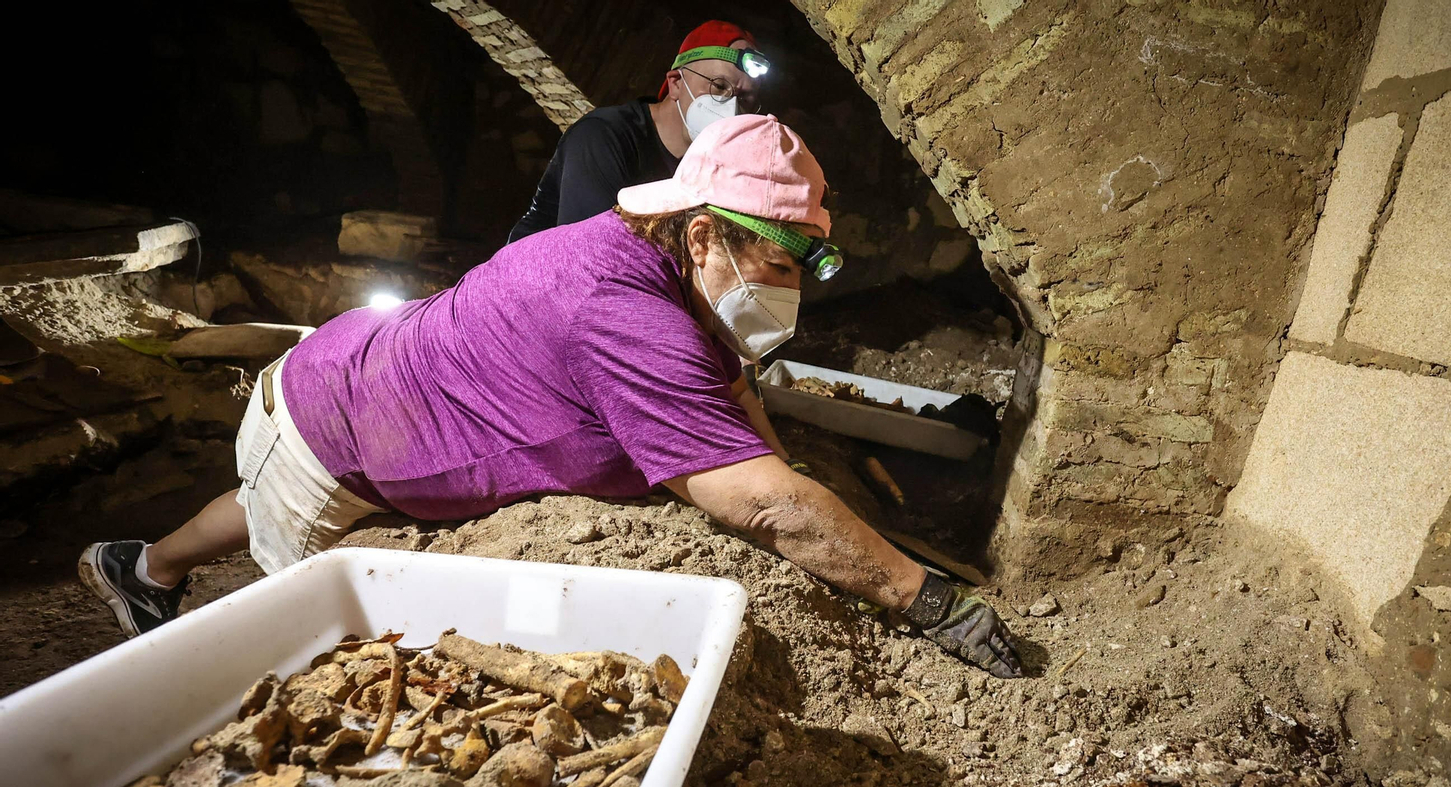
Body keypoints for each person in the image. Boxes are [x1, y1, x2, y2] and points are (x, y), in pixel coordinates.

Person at [78, 115, 1024, 679]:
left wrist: (769, 444)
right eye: (773, 263)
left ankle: (144, 564)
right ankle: (168, 672)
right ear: (702, 237)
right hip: (344, 435)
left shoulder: (645, 251)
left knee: (261, 488)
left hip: (336, 377)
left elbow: (731, 383)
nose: (785, 290)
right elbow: (766, 502)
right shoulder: (621, 315)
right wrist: (923, 598)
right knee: (329, 645)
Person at [505, 20, 768, 243]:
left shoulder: (716, 173)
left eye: (745, 99)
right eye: (719, 86)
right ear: (675, 84)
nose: (732, 106)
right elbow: (588, 256)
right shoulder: (604, 136)